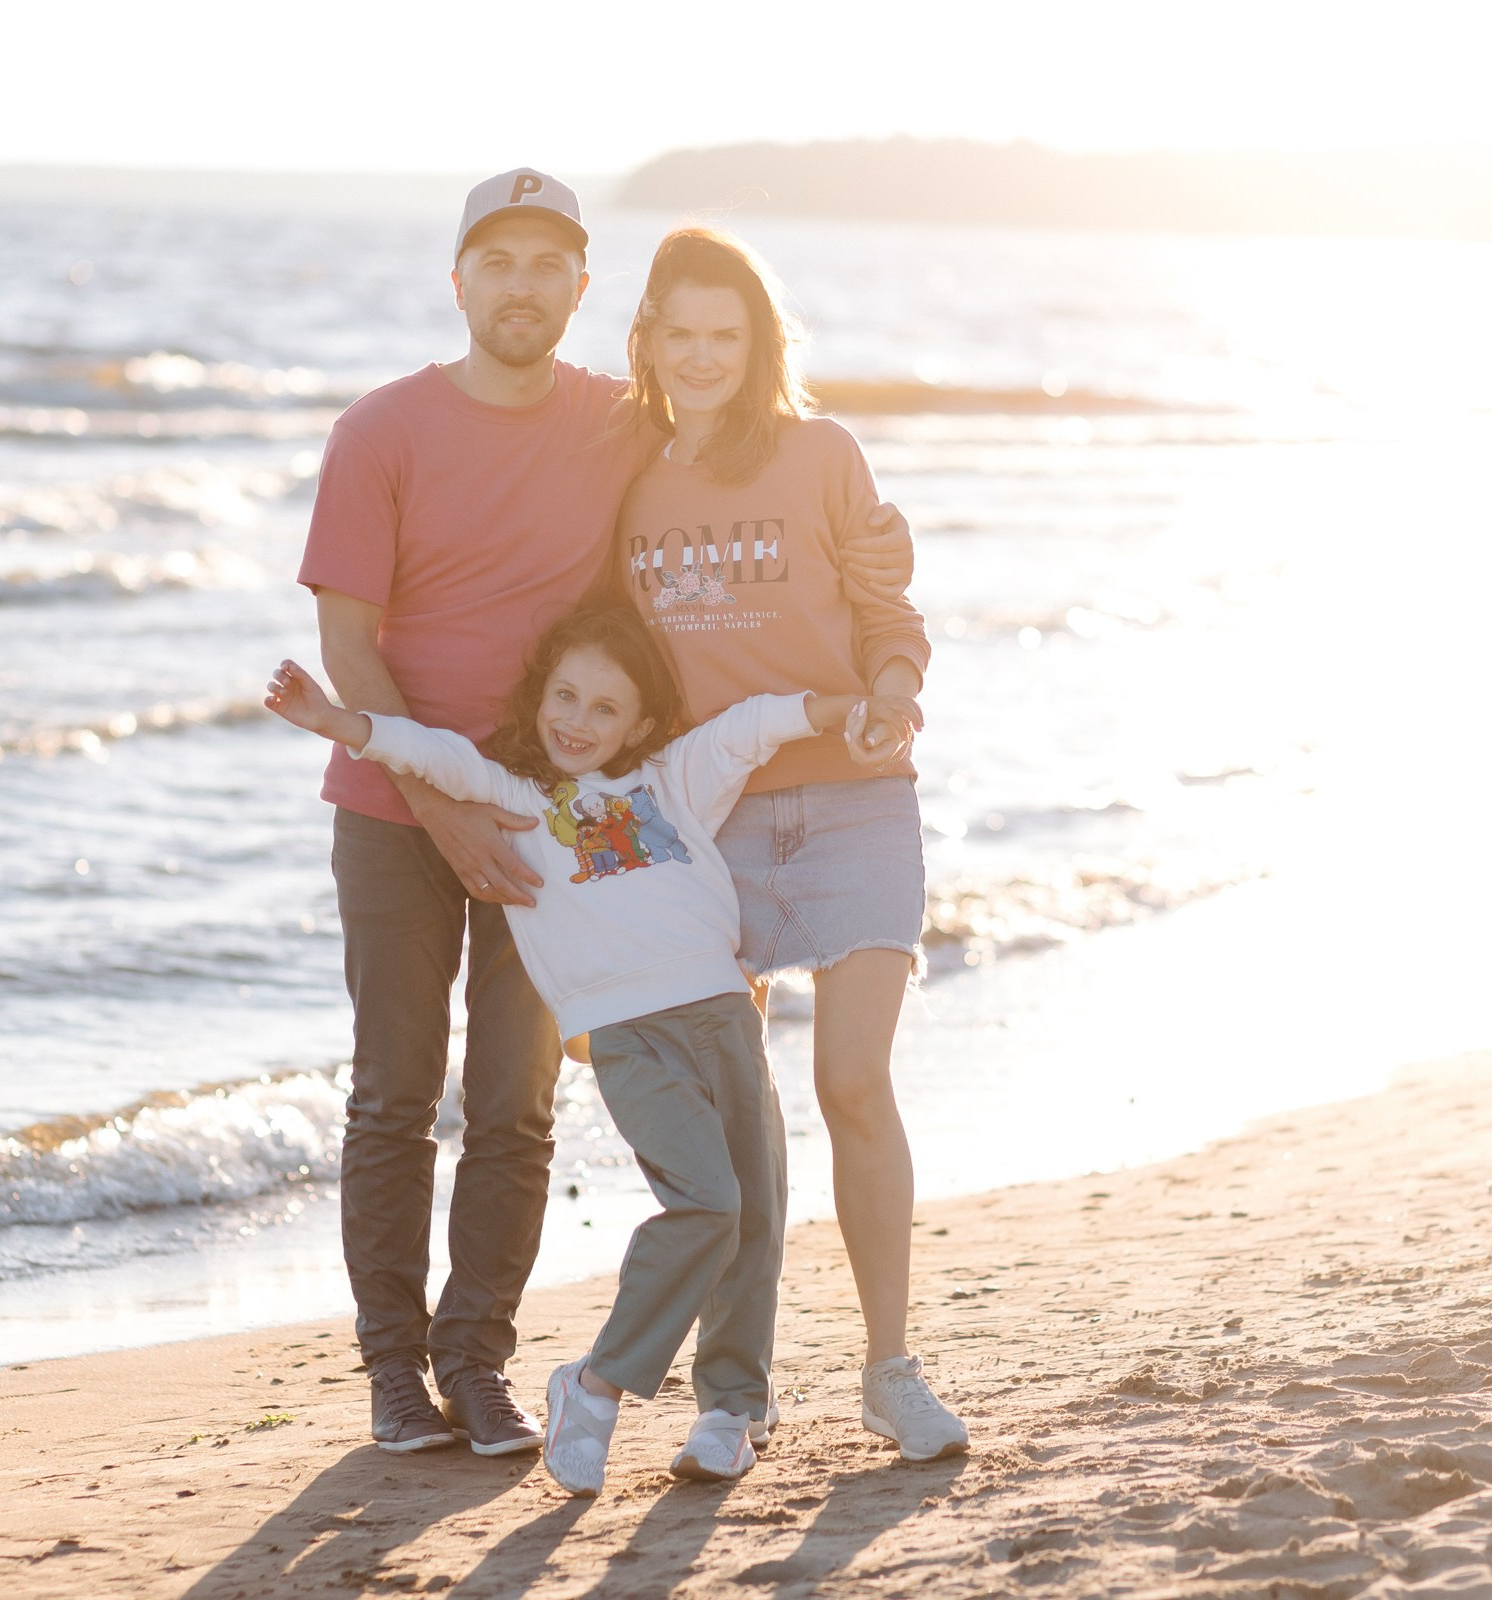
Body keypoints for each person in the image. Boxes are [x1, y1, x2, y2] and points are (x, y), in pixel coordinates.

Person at [294, 170, 915, 1457]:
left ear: (583, 290)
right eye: (496, 261)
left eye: (547, 265)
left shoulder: (620, 423)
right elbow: (348, 645)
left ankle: (478, 1363)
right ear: (457, 279)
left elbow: (746, 456)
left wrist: (874, 601)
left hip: (565, 825)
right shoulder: (379, 429)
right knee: (395, 1094)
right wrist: (439, 807)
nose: (521, 286)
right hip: (400, 812)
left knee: (518, 1105)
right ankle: (394, 1375)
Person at [264, 605, 869, 1493]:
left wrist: (840, 707)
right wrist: (336, 723)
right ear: (540, 697)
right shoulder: (521, 800)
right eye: (566, 697)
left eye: (604, 709)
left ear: (643, 725)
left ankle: (731, 1406)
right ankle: (592, 1388)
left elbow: (751, 727)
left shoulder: (674, 780)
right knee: (706, 1205)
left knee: (758, 1215)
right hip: (629, 1037)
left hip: (724, 1017)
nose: (578, 722)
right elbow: (429, 753)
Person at [610, 227, 970, 1461]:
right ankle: (737, 1391)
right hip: (706, 820)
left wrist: (896, 681)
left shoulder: (821, 454)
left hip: (856, 797)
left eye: (730, 335)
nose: (704, 357)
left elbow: (888, 610)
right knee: (733, 1118)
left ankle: (889, 1366)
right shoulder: (627, 479)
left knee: (852, 1080)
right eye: (683, 334)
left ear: (760, 344)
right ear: (648, 340)